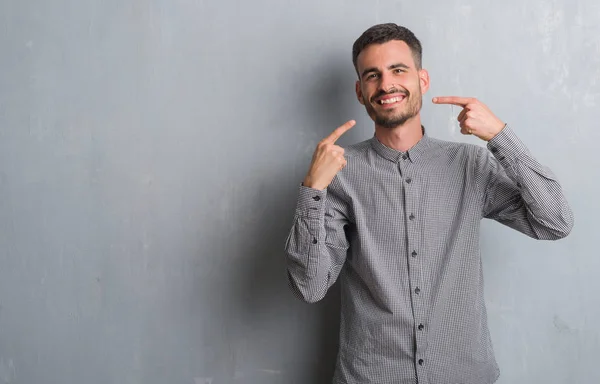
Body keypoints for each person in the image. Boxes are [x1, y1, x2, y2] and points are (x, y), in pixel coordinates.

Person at [284, 23, 574, 384]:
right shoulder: (339, 173)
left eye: (398, 70)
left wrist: (501, 137)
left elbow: (555, 222)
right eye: (373, 75)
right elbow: (309, 287)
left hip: (463, 374)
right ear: (360, 91)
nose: (386, 84)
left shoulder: (470, 165)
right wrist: (312, 189)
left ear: (422, 80)